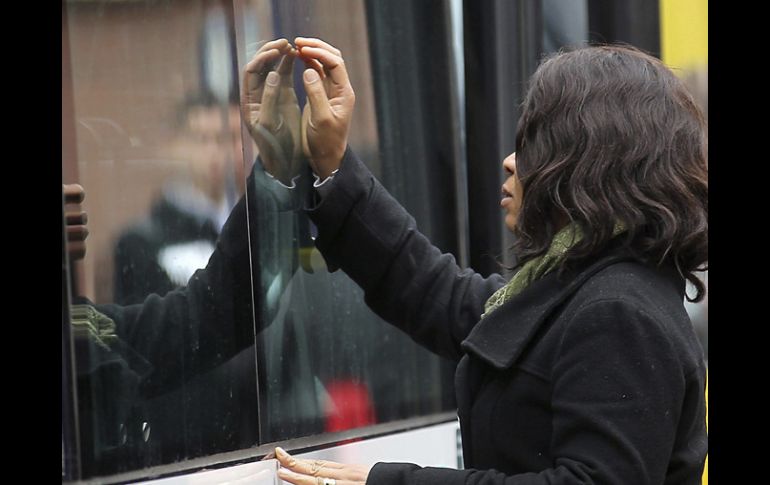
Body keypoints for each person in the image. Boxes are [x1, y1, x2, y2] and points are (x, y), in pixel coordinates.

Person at [269, 38, 708, 484]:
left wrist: (389, 482)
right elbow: (434, 291)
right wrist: (332, 161)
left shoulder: (618, 310)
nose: (510, 162)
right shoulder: (584, 287)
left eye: (538, 143)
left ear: (592, 163)